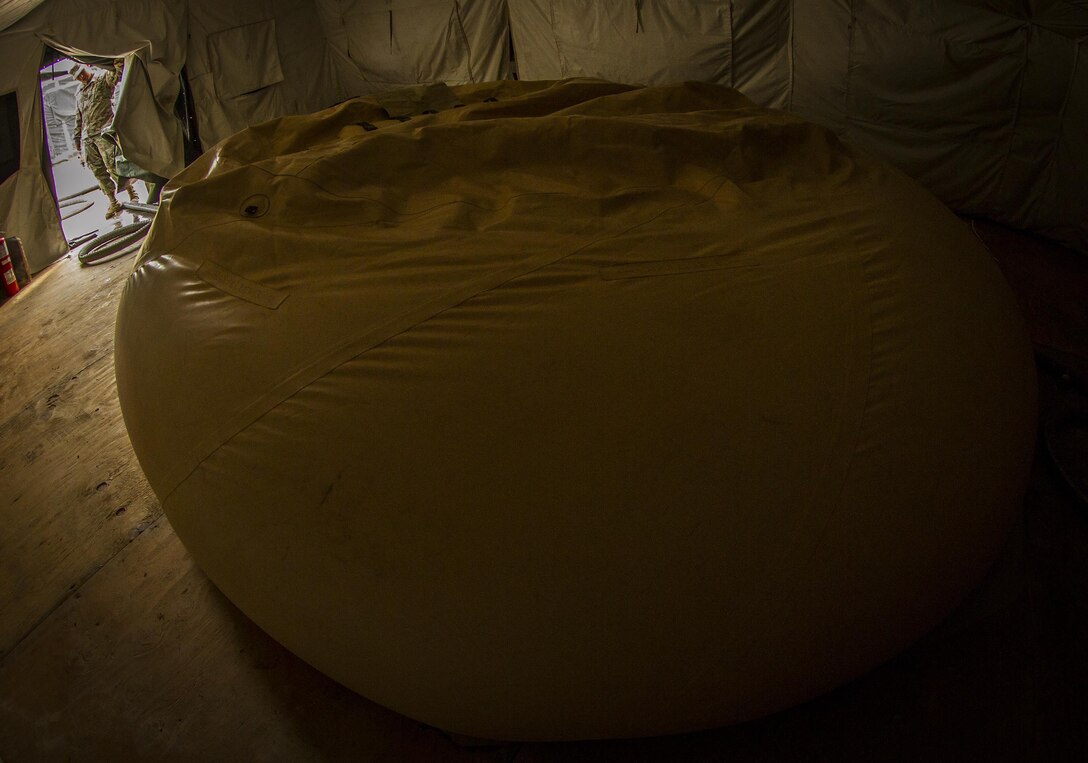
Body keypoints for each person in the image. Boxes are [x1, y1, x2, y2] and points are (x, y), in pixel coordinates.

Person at [71, 60, 139, 219]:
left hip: (104, 133)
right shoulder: (79, 93)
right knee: (98, 171)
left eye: (82, 73)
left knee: (114, 165)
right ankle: (113, 202)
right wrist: (78, 148)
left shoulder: (102, 81)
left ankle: (132, 194)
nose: (81, 77)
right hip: (89, 138)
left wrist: (117, 61)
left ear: (87, 67)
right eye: (77, 77)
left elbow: (117, 75)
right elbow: (78, 120)